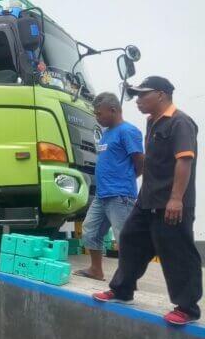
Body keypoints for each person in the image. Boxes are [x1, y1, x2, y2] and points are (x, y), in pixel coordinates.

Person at [93, 76, 201, 325]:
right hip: (147, 201)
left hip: (172, 203)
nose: (138, 100)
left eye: (143, 95)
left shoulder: (180, 122)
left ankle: (187, 308)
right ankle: (122, 291)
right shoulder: (152, 122)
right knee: (130, 240)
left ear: (161, 94)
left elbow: (184, 161)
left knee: (177, 252)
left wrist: (176, 199)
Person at [74, 92, 143, 281]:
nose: (97, 117)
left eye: (99, 114)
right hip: (102, 195)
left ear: (113, 110)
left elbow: (140, 162)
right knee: (90, 230)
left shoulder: (128, 131)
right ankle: (96, 270)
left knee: (124, 239)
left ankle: (127, 280)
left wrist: (126, 179)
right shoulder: (106, 134)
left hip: (120, 195)